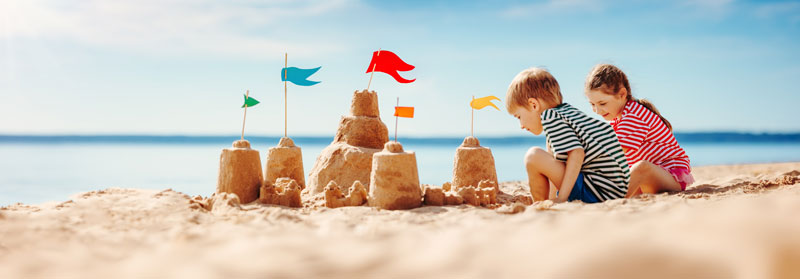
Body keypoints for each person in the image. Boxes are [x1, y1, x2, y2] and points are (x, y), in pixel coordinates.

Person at [505, 67, 630, 203]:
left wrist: (562, 198)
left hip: (598, 194)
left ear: (534, 105)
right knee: (548, 157)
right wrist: (554, 198)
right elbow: (557, 162)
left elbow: (577, 153)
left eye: (518, 116)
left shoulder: (549, 116)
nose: (521, 125)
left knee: (533, 156)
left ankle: (538, 203)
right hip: (614, 191)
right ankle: (548, 200)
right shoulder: (567, 112)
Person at [584, 64, 694, 197]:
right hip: (649, 181)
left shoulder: (634, 115)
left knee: (641, 167)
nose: (597, 111)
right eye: (592, 104)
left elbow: (614, 151)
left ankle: (616, 198)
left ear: (622, 94)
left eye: (602, 104)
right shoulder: (618, 120)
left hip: (670, 176)